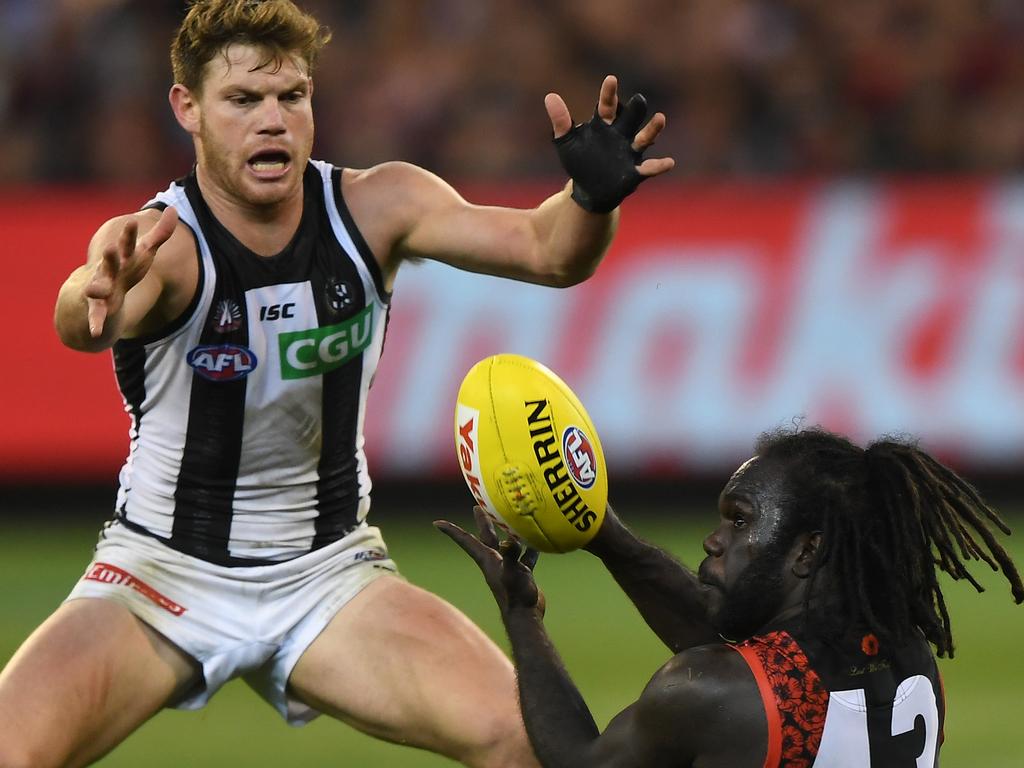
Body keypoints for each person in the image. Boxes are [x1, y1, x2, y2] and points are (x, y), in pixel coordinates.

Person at [0, 1, 675, 766]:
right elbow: (89, 316)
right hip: (159, 572)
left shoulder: (378, 206)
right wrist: (94, 294)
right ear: (187, 109)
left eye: (292, 96)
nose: (272, 121)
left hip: (327, 574)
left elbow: (550, 253)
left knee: (526, 739)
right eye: (243, 100)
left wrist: (590, 203)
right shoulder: (163, 243)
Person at [438, 426, 1024, 767]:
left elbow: (577, 761)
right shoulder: (908, 654)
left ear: (807, 551)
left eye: (740, 522)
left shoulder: (709, 691)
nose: (714, 541)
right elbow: (746, 648)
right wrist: (605, 536)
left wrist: (522, 615)